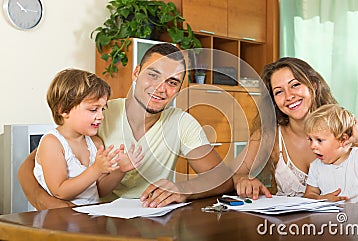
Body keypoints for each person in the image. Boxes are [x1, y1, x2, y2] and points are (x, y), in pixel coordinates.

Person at [18, 43, 233, 210]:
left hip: (153, 220)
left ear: (178, 89)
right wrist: (52, 206)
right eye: (153, 75)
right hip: (97, 222)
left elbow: (222, 179)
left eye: (172, 82)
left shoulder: (181, 123)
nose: (160, 88)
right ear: (136, 73)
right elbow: (29, 167)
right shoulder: (99, 114)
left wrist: (184, 189)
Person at [233, 57, 358, 208]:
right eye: (279, 91)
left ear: (313, 86)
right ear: (273, 101)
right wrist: (244, 180)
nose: (289, 96)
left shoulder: (343, 136)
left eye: (295, 85)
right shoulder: (269, 136)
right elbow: (237, 173)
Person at [33, 68, 143, 206]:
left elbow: (100, 191)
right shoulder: (52, 143)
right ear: (64, 110)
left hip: (89, 218)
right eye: (93, 109)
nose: (101, 116)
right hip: (60, 221)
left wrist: (120, 170)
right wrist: (96, 169)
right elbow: (60, 191)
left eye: (102, 109)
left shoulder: (96, 143)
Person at [303, 104, 358, 204]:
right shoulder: (316, 166)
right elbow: (309, 195)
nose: (312, 146)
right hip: (334, 217)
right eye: (310, 139)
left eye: (319, 140)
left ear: (343, 139)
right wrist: (321, 198)